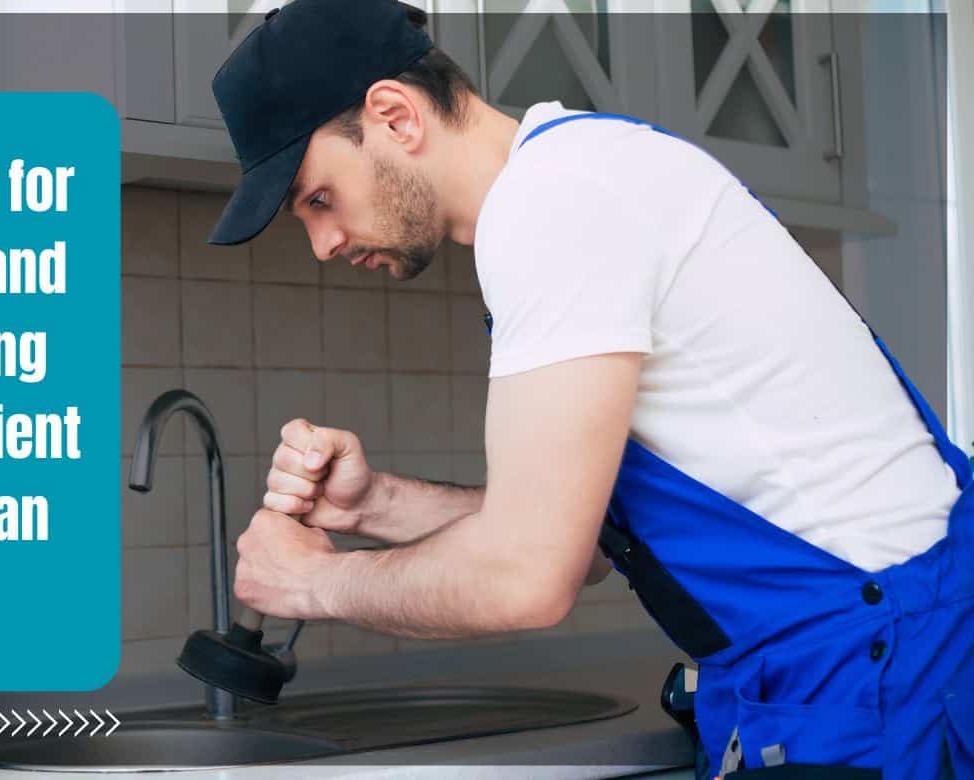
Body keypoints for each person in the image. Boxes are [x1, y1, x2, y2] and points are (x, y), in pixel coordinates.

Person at [205, 1, 973, 777]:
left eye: (319, 198)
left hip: (886, 675)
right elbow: (586, 540)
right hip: (864, 663)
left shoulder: (555, 207)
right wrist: (375, 506)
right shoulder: (575, 176)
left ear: (396, 117)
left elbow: (527, 577)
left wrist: (314, 581)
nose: (323, 243)